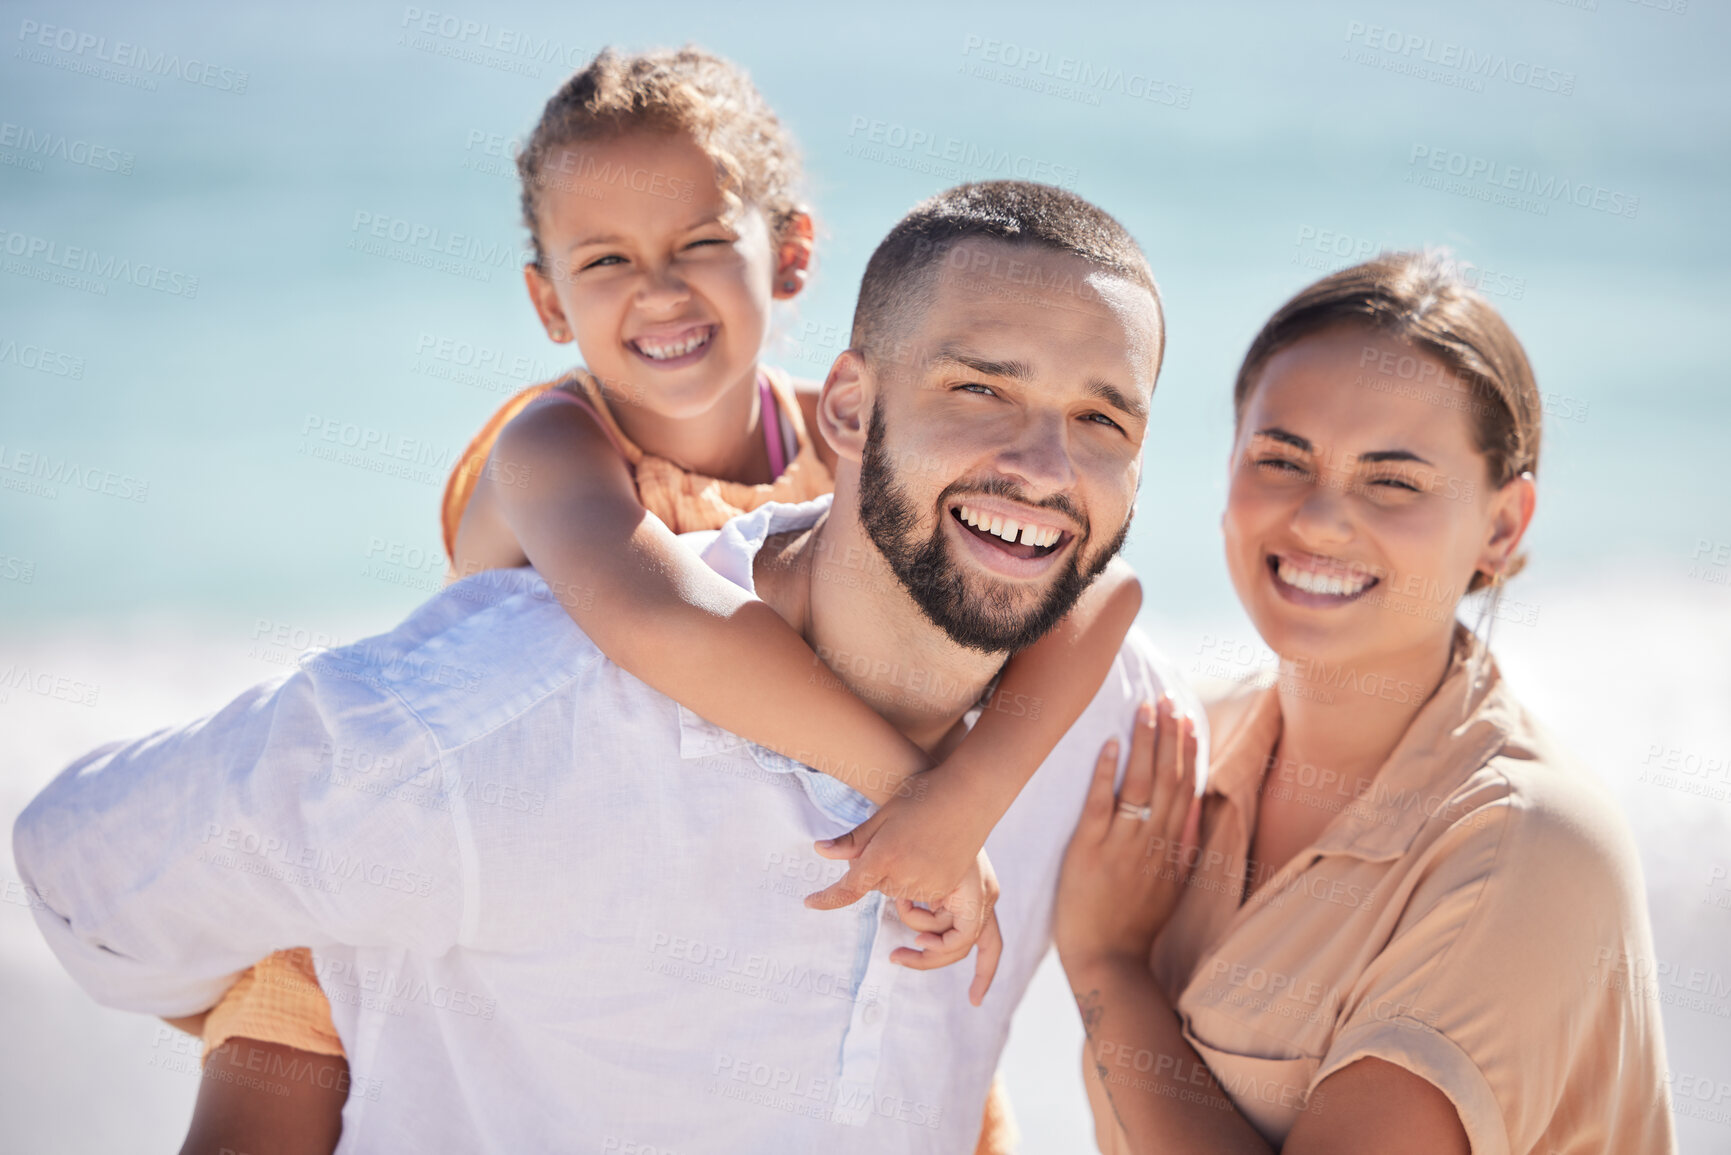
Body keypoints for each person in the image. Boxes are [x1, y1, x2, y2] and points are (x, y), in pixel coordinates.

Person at [17, 180, 1202, 1154]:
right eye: (980, 388)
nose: (1044, 464)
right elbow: (79, 870)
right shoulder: (504, 725)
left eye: (1104, 422)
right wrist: (317, 999)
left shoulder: (1120, 729)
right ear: (846, 409)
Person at [1052, 252, 1675, 1153]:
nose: (1317, 519)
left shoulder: (1523, 843)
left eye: (1392, 480)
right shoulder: (1182, 746)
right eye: (1281, 458)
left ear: (1500, 527)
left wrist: (1108, 969)